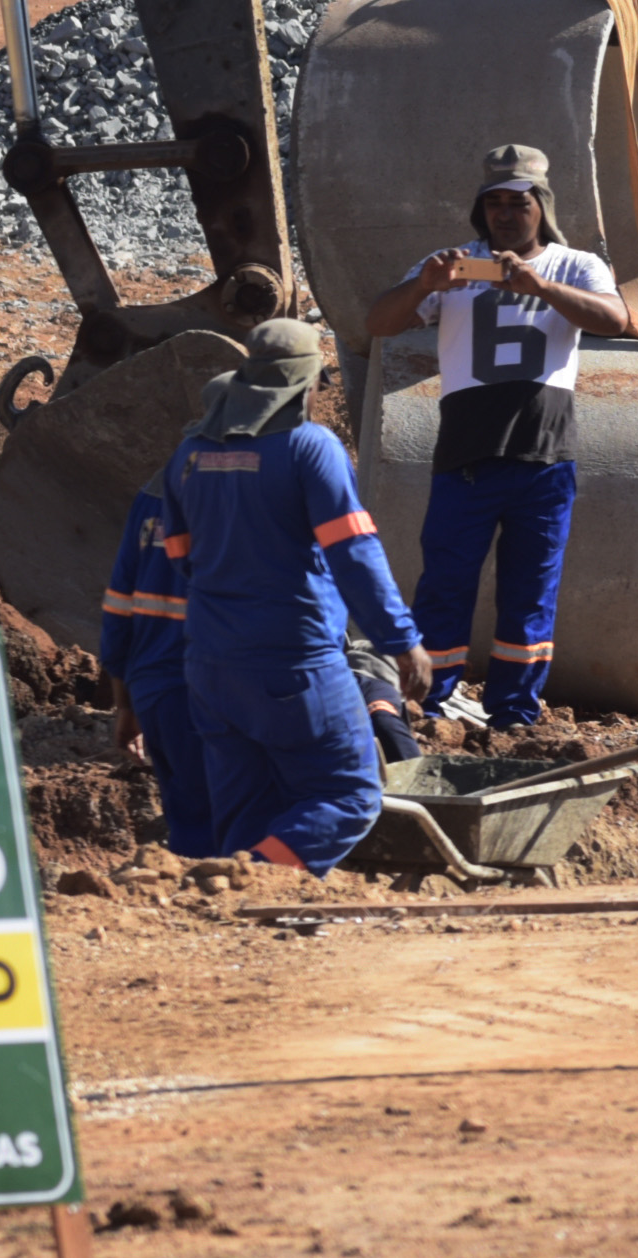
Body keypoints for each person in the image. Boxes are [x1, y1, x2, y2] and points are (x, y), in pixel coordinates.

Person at [370, 146, 638, 732]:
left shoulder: (576, 265)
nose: (505, 214)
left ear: (542, 206)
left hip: (544, 456)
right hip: (466, 454)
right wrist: (423, 286)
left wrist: (541, 287)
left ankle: (514, 713)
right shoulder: (451, 265)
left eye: (518, 203)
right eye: (494, 203)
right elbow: (379, 323)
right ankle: (427, 706)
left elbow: (613, 319)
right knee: (445, 584)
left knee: (531, 589)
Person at [161, 317, 425, 870]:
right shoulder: (309, 448)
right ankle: (251, 877)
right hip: (294, 664)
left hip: (211, 667)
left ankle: (232, 897)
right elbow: (353, 554)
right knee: (351, 796)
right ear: (305, 384)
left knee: (245, 811)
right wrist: (401, 640)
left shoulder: (189, 455)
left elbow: (180, 560)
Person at [93, 478, 224, 860]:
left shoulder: (154, 491)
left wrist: (126, 704)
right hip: (229, 691)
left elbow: (119, 608)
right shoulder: (266, 482)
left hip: (157, 694)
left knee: (193, 829)